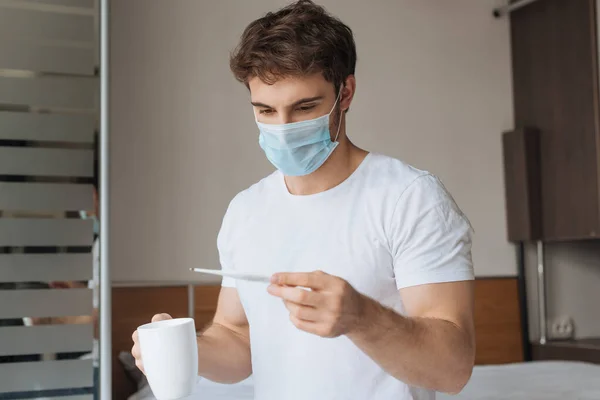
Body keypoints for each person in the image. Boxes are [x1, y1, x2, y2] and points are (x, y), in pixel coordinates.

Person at [132, 1, 475, 399]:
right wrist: (182, 350)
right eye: (265, 110)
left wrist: (360, 317)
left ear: (344, 93)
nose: (283, 128)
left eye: (304, 108)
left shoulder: (410, 199)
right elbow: (238, 340)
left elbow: (452, 369)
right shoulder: (246, 211)